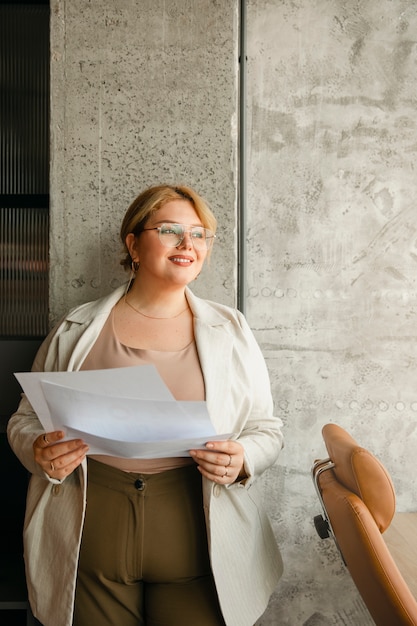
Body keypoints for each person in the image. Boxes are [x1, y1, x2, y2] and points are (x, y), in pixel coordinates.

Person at [7, 184, 284, 626]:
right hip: (92, 522)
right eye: (170, 230)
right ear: (133, 244)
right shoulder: (77, 327)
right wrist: (38, 450)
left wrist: (243, 458)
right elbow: (24, 418)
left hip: (197, 527)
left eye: (199, 234)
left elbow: (266, 428)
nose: (187, 244)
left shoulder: (231, 329)